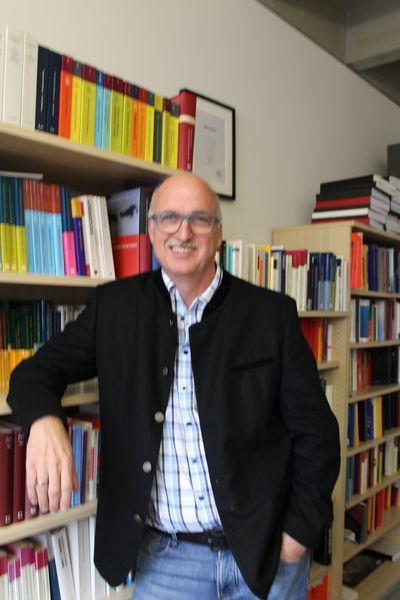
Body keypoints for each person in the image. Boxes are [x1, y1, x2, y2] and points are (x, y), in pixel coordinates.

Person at [7, 172, 340, 600]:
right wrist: (45, 421)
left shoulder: (271, 315)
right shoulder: (114, 308)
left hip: (266, 556)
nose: (183, 232)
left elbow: (317, 433)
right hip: (167, 562)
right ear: (150, 231)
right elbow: (33, 373)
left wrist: (297, 536)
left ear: (218, 234)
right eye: (168, 218)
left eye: (199, 219)